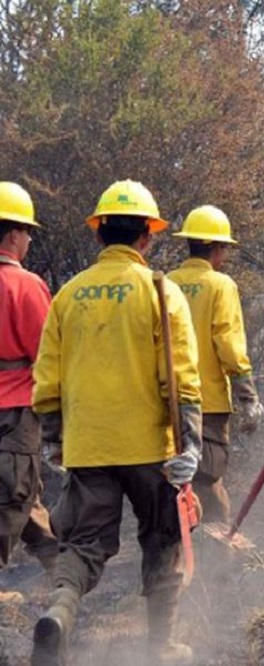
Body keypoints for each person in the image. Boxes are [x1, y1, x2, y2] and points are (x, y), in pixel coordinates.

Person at [30, 180, 203, 666]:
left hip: (89, 446)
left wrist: (53, 439)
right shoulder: (160, 291)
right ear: (147, 236)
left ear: (98, 234)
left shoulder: (69, 295)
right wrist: (191, 445)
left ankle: (60, 613)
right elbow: (182, 378)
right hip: (153, 449)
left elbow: (47, 379)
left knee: (84, 545)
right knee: (163, 539)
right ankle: (160, 647)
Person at [168, 205, 263, 524]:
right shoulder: (220, 285)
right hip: (207, 403)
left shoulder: (165, 283)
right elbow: (229, 344)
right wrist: (248, 396)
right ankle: (213, 552)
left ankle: (182, 544)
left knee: (175, 477)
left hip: (165, 402)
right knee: (206, 478)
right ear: (217, 248)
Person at [0, 182, 58, 603]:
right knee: (13, 494)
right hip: (16, 407)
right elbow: (48, 354)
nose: (30, 239)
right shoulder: (25, 285)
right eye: (27, 231)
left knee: (26, 492)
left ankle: (62, 570)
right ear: (12, 234)